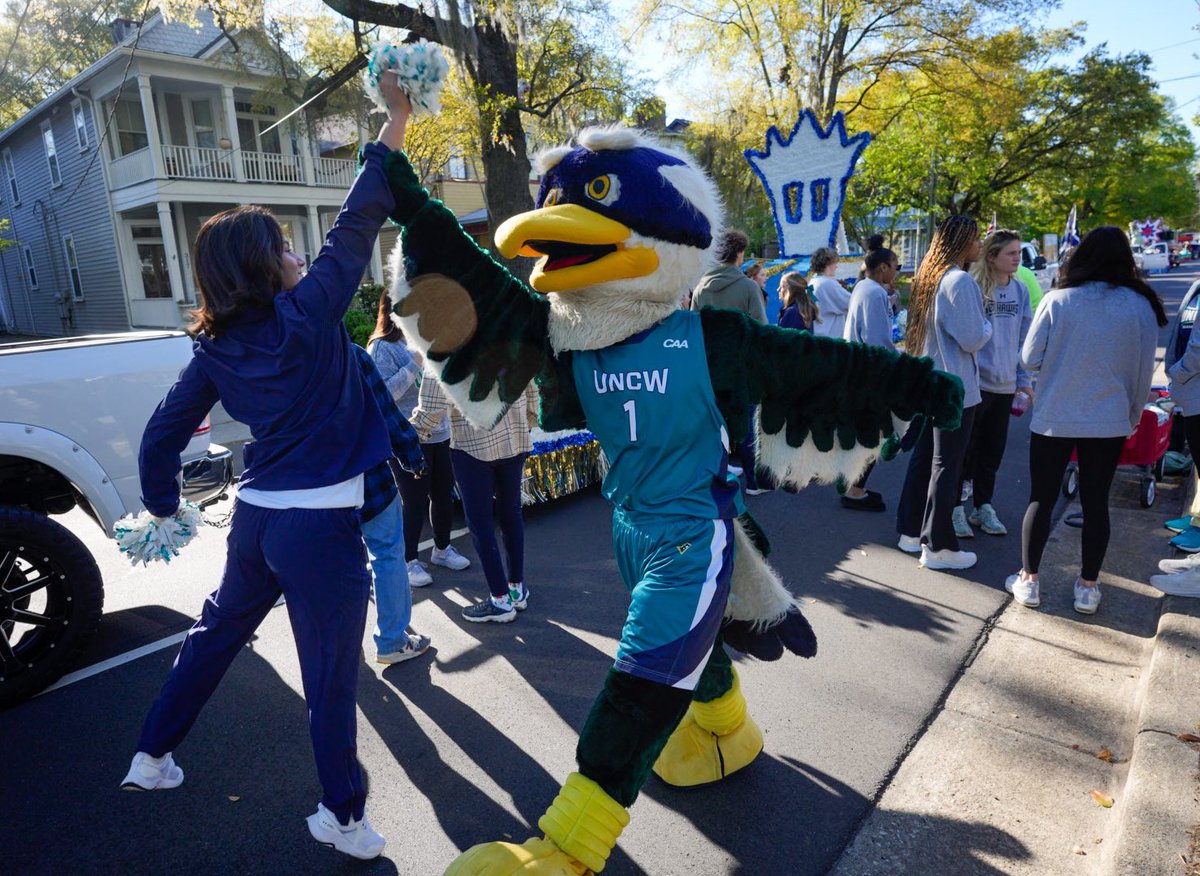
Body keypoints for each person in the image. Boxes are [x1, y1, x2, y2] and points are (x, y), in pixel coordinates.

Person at [122, 76, 410, 860]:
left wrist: (161, 510)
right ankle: (342, 819)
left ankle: (151, 758)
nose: (296, 252)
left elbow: (160, 439)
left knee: (213, 638)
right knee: (329, 680)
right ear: (261, 264)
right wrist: (398, 119)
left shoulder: (213, 350)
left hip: (255, 524)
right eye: (283, 243)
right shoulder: (312, 311)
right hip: (317, 530)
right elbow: (357, 218)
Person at [1006, 225, 1164, 614]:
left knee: (1041, 499)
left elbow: (1029, 359)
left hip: (1054, 416)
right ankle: (1088, 587)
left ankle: (1029, 580)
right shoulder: (1140, 305)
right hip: (1109, 420)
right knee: (1096, 503)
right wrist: (1131, 415)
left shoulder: (1058, 300)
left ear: (1082, 256)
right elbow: (1145, 372)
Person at [896, 215, 990, 571]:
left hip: (928, 381)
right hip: (953, 385)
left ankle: (910, 531)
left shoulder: (927, 277)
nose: (980, 245)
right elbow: (973, 338)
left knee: (926, 460)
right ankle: (937, 546)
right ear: (964, 241)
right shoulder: (959, 281)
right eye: (977, 238)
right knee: (947, 464)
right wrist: (988, 323)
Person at [410, 374, 538, 622]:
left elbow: (429, 412)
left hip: (472, 445)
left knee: (481, 524)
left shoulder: (445, 347)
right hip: (514, 436)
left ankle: (500, 600)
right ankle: (516, 589)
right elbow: (532, 384)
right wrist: (528, 421)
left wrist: (405, 440)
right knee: (511, 513)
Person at [367, 291, 470, 586]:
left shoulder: (424, 339)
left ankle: (441, 549)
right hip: (406, 438)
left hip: (440, 433)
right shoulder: (381, 348)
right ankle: (409, 560)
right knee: (413, 501)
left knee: (442, 494)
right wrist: (414, 363)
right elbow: (384, 394)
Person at [352, 343, 432, 664]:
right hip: (368, 476)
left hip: (314, 488)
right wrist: (413, 457)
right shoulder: (351, 355)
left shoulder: (277, 361)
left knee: (341, 567)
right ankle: (392, 641)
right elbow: (385, 412)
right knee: (386, 555)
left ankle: (340, 646)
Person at [954, 230, 1033, 539]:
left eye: (1018, 253)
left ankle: (982, 506)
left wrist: (1023, 380)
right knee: (967, 451)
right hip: (976, 385)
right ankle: (955, 507)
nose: (1017, 258)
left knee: (992, 451)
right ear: (992, 256)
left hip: (1005, 385)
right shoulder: (974, 288)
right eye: (1011, 253)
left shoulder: (1022, 291)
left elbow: (1023, 340)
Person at [691, 229, 767, 489]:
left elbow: (694, 328)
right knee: (747, 427)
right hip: (742, 368)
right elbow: (761, 330)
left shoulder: (701, 287)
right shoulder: (748, 287)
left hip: (710, 368)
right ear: (739, 254)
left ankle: (717, 477)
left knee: (715, 425)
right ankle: (754, 482)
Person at [841, 247, 900, 511]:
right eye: (896, 266)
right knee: (873, 435)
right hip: (871, 373)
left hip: (856, 368)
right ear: (885, 266)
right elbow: (878, 340)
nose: (897, 272)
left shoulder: (863, 287)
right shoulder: (876, 292)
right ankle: (855, 490)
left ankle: (853, 486)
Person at [690, 229, 768, 323]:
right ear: (738, 253)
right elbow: (761, 326)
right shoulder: (750, 287)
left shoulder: (699, 289)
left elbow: (693, 325)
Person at [809, 246, 851, 339]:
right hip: (829, 336)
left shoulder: (813, 281)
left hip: (817, 334)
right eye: (835, 262)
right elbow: (853, 303)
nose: (836, 266)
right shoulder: (827, 283)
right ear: (828, 263)